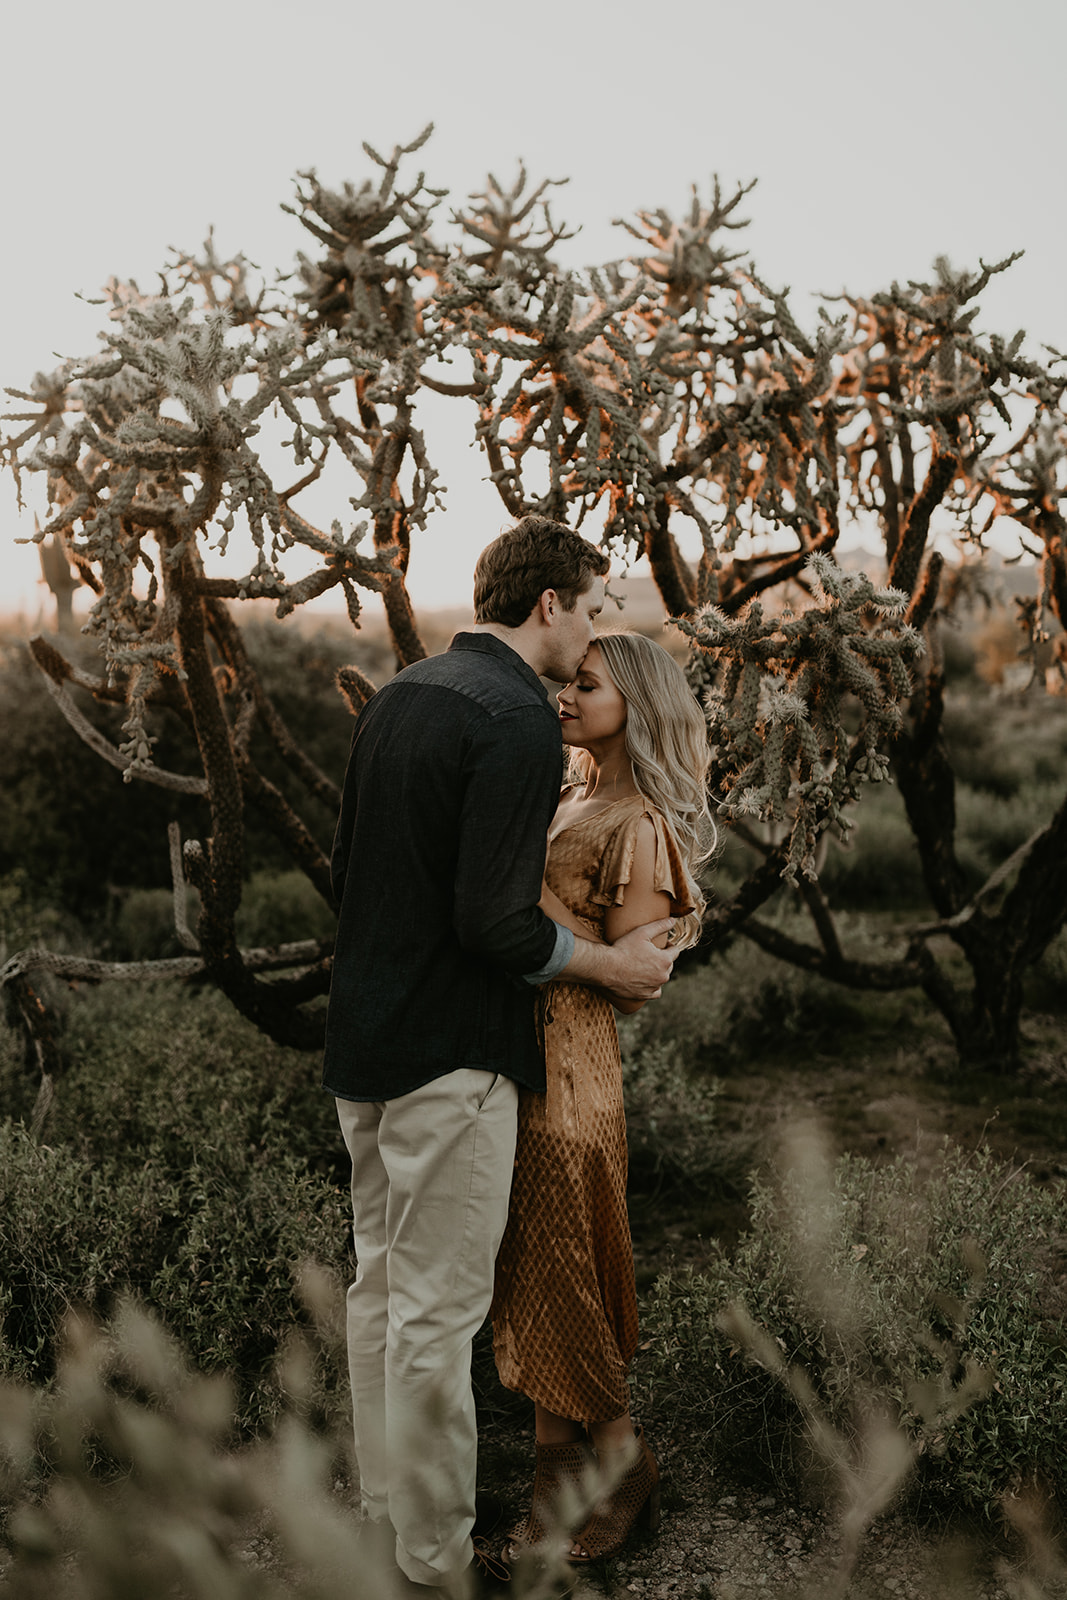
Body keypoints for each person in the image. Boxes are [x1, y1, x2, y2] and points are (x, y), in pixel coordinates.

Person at [322, 518, 680, 1598]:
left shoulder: (404, 694)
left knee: (378, 1290)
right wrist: (607, 969)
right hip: (451, 1053)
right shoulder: (520, 717)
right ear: (547, 606)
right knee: (436, 1309)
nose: (592, 632)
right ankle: (432, 1562)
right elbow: (494, 922)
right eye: (590, 607)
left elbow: (352, 872)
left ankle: (389, 1511)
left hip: (366, 1043)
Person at [490, 629, 713, 1567]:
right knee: (534, 1257)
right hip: (517, 1050)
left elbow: (635, 976)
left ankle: (617, 1460)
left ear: (637, 706)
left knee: (564, 1258)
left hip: (573, 1064)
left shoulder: (638, 824)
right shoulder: (574, 792)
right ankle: (555, 1474)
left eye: (585, 687)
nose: (565, 698)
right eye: (567, 682)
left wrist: (501, 908)